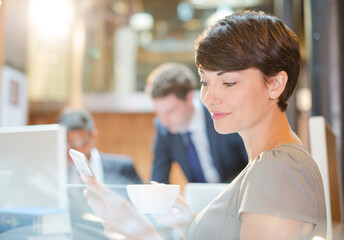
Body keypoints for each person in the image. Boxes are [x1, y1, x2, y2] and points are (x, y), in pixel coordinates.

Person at [80, 10, 327, 240]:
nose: (209, 99)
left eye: (228, 83)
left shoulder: (279, 169)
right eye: (205, 82)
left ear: (275, 84)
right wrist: (191, 223)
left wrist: (141, 233)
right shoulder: (267, 164)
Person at [146, 62, 248, 183]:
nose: (164, 121)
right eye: (159, 113)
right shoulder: (164, 129)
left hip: (236, 194)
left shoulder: (223, 115)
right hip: (198, 200)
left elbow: (251, 166)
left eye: (170, 111)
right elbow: (158, 181)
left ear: (189, 98)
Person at [57, 108, 142, 185]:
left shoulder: (124, 168)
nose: (80, 151)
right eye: (72, 145)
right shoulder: (58, 172)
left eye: (84, 143)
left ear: (93, 136)